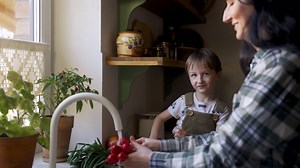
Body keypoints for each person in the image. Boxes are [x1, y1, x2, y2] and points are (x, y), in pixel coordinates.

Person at [122, 0, 300, 167]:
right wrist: (160, 145)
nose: (225, 17)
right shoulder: (264, 63)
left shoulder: (280, 68)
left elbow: (224, 156)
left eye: (231, 3)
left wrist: (151, 160)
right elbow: (222, 139)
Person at [149, 48, 230, 139]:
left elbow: (218, 140)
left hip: (203, 152)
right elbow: (159, 118)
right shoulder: (183, 100)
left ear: (218, 74)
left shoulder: (222, 109)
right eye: (194, 75)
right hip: (180, 151)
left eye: (206, 74)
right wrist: (152, 141)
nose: (200, 80)